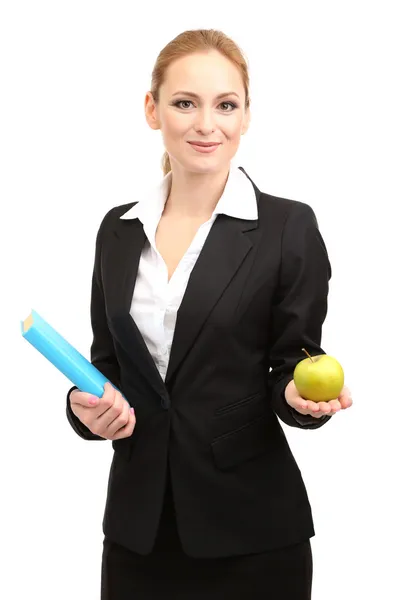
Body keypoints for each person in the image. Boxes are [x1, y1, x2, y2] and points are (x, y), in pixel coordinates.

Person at [66, 28, 353, 600]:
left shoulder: (287, 228)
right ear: (152, 111)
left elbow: (292, 364)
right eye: (184, 103)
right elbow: (107, 367)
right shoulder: (117, 231)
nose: (206, 124)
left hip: (252, 531)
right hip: (137, 533)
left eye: (226, 105)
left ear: (246, 116)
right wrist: (82, 410)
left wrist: (300, 400)